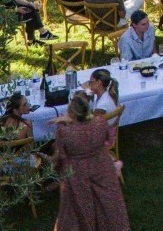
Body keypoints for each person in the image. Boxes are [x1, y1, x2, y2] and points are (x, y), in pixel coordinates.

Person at [50, 93, 129, 231]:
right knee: (106, 203)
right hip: (101, 165)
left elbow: (61, 154)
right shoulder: (100, 122)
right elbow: (107, 139)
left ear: (71, 112)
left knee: (81, 206)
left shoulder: (64, 130)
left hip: (77, 170)